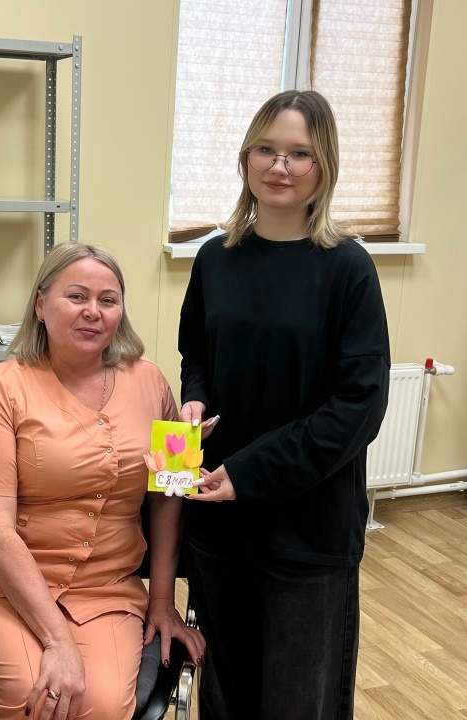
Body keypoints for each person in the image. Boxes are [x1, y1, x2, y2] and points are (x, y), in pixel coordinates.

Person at [0, 243, 205, 720]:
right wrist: (58, 641)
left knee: (104, 708)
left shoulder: (153, 382)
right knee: (42, 700)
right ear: (40, 304)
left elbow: (170, 493)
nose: (93, 311)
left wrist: (162, 600)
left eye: (108, 300)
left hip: (104, 588)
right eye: (76, 296)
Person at [177, 89, 391, 719]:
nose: (280, 166)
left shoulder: (347, 268)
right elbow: (197, 357)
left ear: (324, 166)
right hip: (216, 514)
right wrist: (194, 400)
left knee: (299, 699)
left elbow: (359, 406)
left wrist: (250, 473)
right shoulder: (215, 258)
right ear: (246, 158)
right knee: (224, 691)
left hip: (307, 526)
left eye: (300, 153)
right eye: (266, 149)